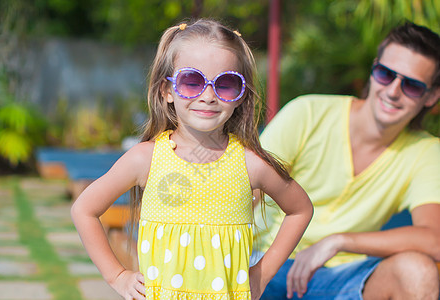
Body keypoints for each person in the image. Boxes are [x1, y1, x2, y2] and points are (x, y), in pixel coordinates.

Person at [71, 19, 313, 300]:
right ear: (167, 90)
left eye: (225, 84)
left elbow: (300, 209)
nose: (208, 96)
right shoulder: (145, 159)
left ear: (240, 95)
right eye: (192, 81)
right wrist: (117, 275)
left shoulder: (251, 164)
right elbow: (84, 210)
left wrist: (263, 272)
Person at [253, 21, 440, 299]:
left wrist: (339, 242)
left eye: (411, 85)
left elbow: (434, 240)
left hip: (339, 278)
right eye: (386, 74)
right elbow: (247, 190)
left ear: (431, 96)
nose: (393, 90)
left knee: (418, 271)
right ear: (374, 69)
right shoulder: (307, 113)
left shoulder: (427, 151)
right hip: (264, 261)